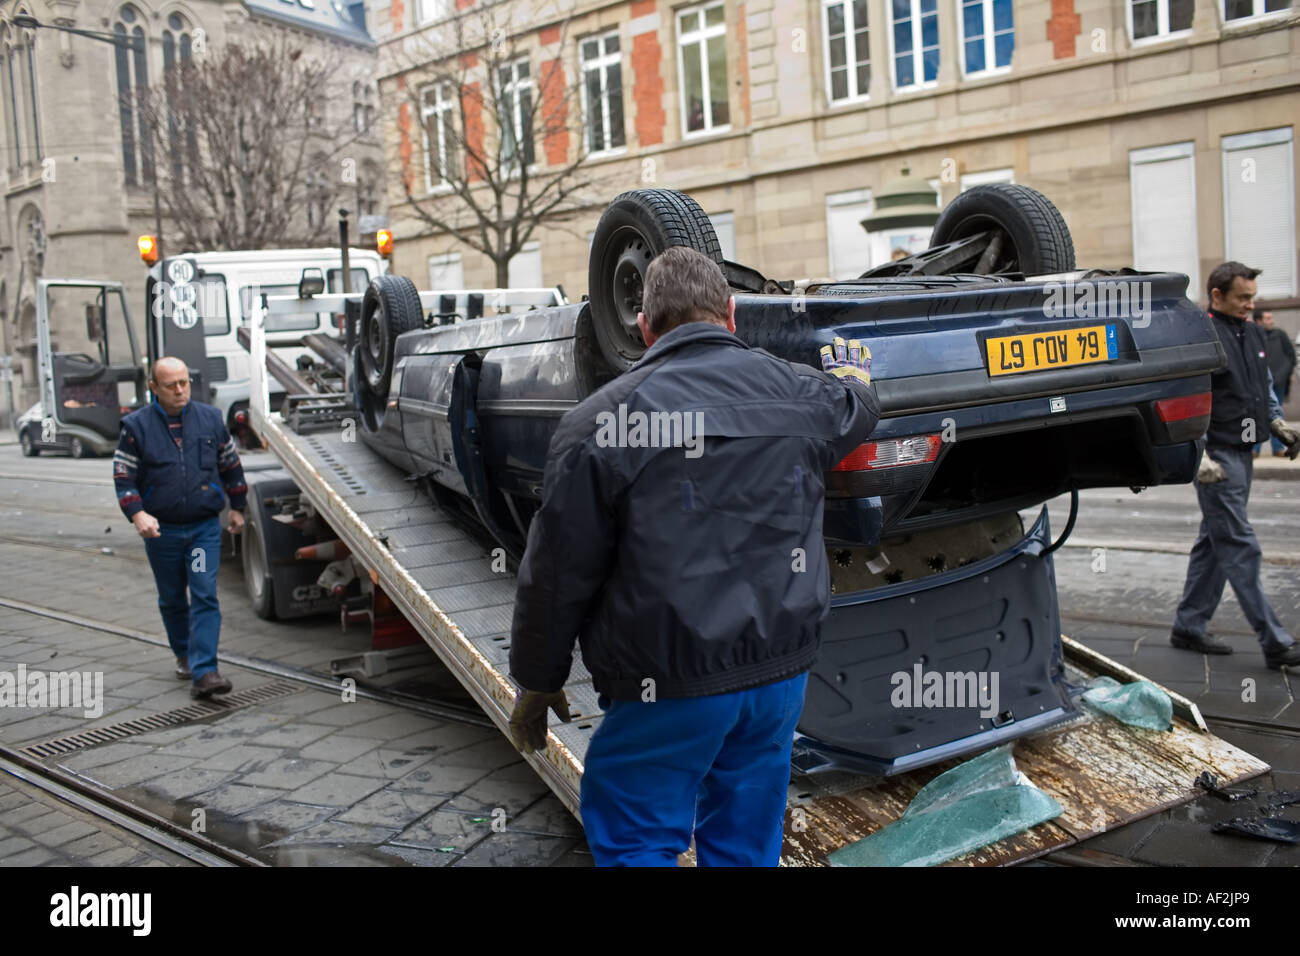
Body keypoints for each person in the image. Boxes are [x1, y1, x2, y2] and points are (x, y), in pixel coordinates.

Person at [507, 246, 880, 866]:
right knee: (744, 840)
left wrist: (538, 681)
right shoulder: (803, 395)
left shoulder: (599, 423)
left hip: (668, 684)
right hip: (776, 676)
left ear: (645, 326)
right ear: (731, 315)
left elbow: (555, 574)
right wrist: (856, 378)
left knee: (639, 839)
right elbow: (856, 410)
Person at [1171, 263, 1300, 669]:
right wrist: (1199, 454)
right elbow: (1187, 396)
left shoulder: (1251, 332)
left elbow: (1261, 384)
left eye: (1252, 296)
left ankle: (1189, 625)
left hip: (1245, 452)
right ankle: (1276, 641)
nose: (1251, 304)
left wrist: (1277, 423)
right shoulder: (1201, 335)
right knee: (1241, 546)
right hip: (1219, 457)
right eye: (1243, 297)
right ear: (1216, 296)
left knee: (1216, 542)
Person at [113, 357, 247, 698]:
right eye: (171, 384)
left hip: (202, 530)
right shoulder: (136, 427)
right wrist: (138, 514)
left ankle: (206, 671)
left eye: (184, 382)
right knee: (173, 597)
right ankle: (184, 653)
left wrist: (238, 507)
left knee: (203, 591)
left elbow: (230, 465)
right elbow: (123, 476)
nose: (180, 390)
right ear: (153, 388)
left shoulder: (210, 420)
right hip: (164, 533)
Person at [1251, 309, 1296, 456]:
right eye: (1268, 318)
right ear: (1258, 321)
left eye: (1271, 318)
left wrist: (1282, 375)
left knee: (1276, 413)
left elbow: (1290, 357)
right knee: (1254, 415)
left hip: (1279, 383)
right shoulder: (1253, 335)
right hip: (1259, 383)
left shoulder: (1280, 335)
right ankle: (1253, 448)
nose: (1272, 321)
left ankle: (1278, 448)